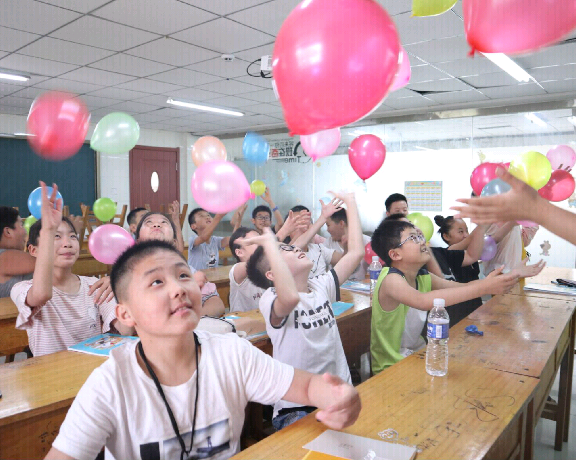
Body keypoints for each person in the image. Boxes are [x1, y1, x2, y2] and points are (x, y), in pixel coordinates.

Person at [43, 240, 361, 460]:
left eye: (183, 275)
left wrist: (336, 396)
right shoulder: (110, 385)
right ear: (125, 314)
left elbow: (305, 385)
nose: (178, 288)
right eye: (156, 282)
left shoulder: (230, 353)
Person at [245, 191, 364, 430]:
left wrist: (350, 202)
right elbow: (289, 297)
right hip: (295, 407)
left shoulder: (321, 285)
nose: (297, 249)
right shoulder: (272, 298)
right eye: (287, 251)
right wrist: (274, 241)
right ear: (272, 274)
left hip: (336, 396)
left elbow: (356, 253)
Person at [369, 218, 518, 374]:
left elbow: (461, 288)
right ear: (395, 254)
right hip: (390, 368)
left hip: (415, 357)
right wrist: (484, 287)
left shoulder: (423, 276)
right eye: (413, 238)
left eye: (420, 236)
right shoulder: (390, 279)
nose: (422, 242)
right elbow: (423, 301)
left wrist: (497, 280)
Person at [11, 183, 133, 357]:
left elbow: (123, 331)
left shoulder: (94, 286)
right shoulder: (21, 289)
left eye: (73, 236)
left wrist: (123, 291)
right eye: (56, 236)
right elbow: (41, 295)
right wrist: (47, 230)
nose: (67, 243)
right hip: (49, 375)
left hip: (89, 372)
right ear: (33, 250)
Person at [453, 166, 576, 246]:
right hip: (499, 276)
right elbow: (495, 240)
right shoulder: (490, 225)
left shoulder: (510, 218)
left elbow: (523, 241)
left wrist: (535, 208)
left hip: (514, 274)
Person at [136, 211, 225, 317]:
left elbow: (217, 305)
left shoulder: (187, 270)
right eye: (149, 222)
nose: (156, 225)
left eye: (164, 222)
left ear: (174, 242)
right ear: (138, 241)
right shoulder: (129, 272)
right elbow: (125, 328)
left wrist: (187, 319)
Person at [324, 208, 371, 281]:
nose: (327, 230)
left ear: (341, 224)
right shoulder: (327, 244)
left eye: (328, 225)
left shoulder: (368, 242)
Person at [228, 227, 265, 312]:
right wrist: (283, 231)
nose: (261, 244)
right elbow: (253, 264)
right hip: (242, 323)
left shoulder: (266, 269)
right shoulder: (237, 270)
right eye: (254, 241)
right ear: (239, 252)